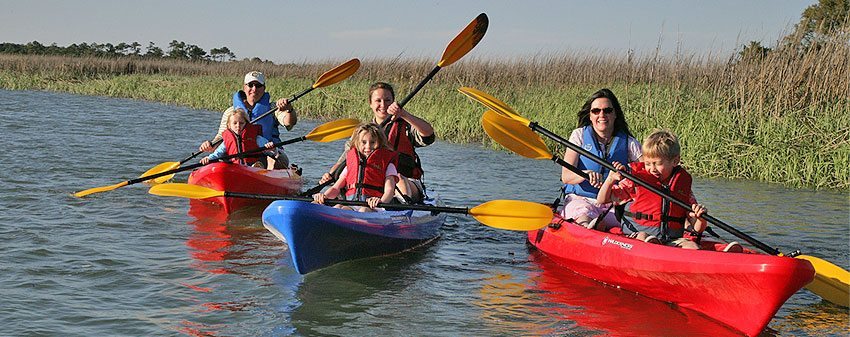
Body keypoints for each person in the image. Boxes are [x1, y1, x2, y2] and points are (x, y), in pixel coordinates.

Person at [596, 129, 741, 252]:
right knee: (643, 238)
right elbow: (602, 200)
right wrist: (610, 180)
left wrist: (701, 218)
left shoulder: (683, 187)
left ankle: (721, 259)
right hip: (635, 238)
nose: (652, 168)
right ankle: (652, 250)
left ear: (675, 161)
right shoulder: (635, 181)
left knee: (692, 246)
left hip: (670, 240)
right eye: (647, 164)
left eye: (657, 164)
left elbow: (696, 229)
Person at [319, 82, 435, 203]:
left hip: (405, 182)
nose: (383, 105)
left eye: (387, 100)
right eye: (378, 100)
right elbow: (345, 162)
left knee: (399, 178)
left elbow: (428, 135)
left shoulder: (405, 127)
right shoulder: (362, 133)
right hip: (371, 182)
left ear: (394, 102)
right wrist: (329, 175)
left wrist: (404, 114)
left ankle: (402, 208)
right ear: (370, 103)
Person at [559, 88, 642, 230]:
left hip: (613, 203)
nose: (601, 115)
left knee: (626, 222)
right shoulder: (578, 136)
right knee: (584, 215)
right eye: (596, 111)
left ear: (615, 114)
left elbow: (647, 172)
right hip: (581, 200)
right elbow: (566, 176)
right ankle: (588, 227)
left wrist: (627, 171)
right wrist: (585, 174)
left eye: (607, 110)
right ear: (590, 116)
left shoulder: (629, 142)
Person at [199, 71, 297, 169]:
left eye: (258, 85)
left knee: (275, 160)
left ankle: (261, 170)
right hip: (238, 154)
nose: (254, 89)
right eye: (250, 85)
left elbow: (289, 122)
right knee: (220, 159)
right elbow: (222, 136)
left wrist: (289, 109)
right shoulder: (231, 112)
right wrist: (211, 144)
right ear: (244, 87)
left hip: (270, 151)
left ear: (264, 88)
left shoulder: (273, 108)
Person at [312, 123, 400, 212]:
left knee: (363, 210)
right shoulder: (350, 165)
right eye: (364, 142)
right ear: (357, 143)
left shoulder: (388, 165)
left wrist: (380, 201)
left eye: (373, 142)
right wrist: (324, 196)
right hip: (352, 204)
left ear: (380, 142)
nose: (368, 146)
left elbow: (389, 190)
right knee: (338, 207)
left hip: (375, 207)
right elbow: (336, 188)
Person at [199, 108, 276, 167]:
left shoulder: (257, 138)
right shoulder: (226, 141)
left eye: (241, 123)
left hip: (253, 167)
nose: (238, 126)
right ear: (229, 125)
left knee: (259, 164)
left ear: (246, 124)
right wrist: (208, 158)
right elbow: (217, 154)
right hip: (236, 168)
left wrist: (270, 148)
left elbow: (271, 151)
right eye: (235, 123)